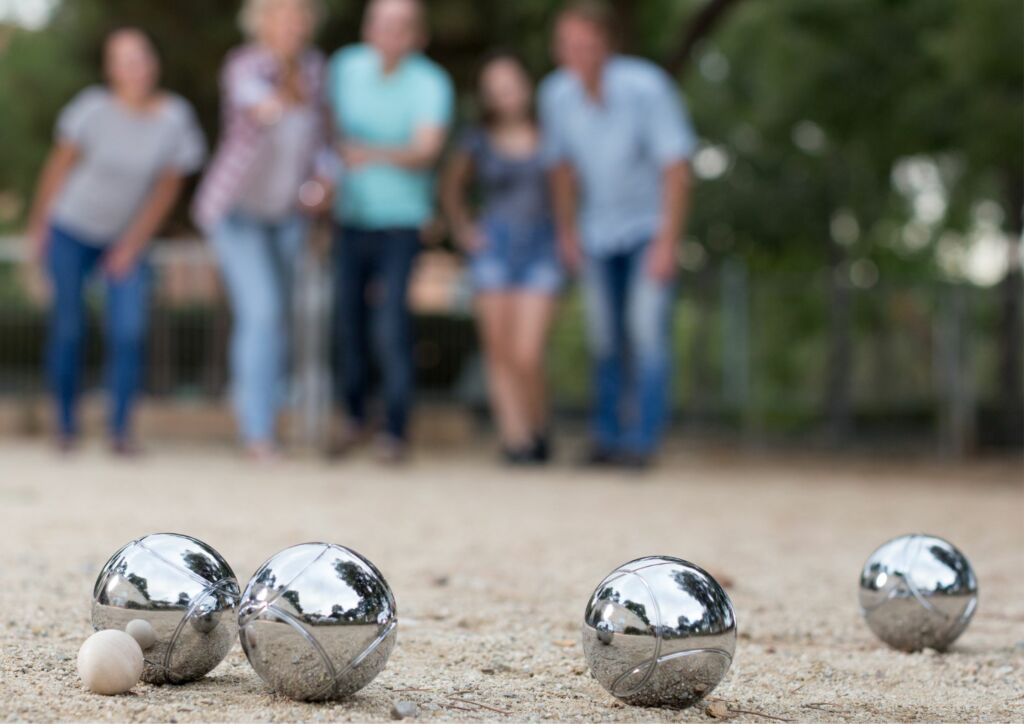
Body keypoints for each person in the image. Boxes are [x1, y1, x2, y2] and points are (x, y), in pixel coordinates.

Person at [25, 27, 206, 455]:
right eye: (125, 60)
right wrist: (39, 229)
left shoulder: (174, 119)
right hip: (71, 228)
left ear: (154, 63)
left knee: (129, 331)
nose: (137, 67)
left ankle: (120, 430)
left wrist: (130, 244)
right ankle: (65, 427)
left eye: (142, 57)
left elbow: (167, 189)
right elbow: (58, 168)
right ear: (111, 70)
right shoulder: (90, 110)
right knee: (68, 327)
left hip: (125, 238)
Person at [539, 1, 697, 468]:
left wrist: (668, 242)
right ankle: (606, 437)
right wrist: (566, 232)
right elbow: (561, 171)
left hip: (648, 228)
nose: (578, 54)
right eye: (569, 45)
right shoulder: (555, 96)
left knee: (646, 333)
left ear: (606, 45)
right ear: (558, 49)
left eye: (587, 44)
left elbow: (676, 169)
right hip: (595, 231)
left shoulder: (646, 87)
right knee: (603, 337)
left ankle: (642, 442)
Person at [193, 0, 334, 462]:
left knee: (280, 322)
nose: (294, 25)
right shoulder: (245, 65)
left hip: (287, 215)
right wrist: (284, 81)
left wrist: (327, 179)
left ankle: (264, 416)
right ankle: (258, 433)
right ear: (263, 23)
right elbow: (260, 107)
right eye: (283, 16)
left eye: (300, 17)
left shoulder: (316, 70)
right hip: (237, 213)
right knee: (263, 313)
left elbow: (322, 144)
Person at [327, 0, 454, 463]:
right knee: (347, 323)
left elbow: (427, 149)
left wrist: (367, 152)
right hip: (349, 216)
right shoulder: (345, 67)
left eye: (400, 26)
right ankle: (355, 417)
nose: (389, 34)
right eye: (381, 24)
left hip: (402, 219)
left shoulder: (431, 81)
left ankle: (395, 430)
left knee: (390, 325)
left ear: (417, 34)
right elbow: (328, 135)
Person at [440, 52, 561, 465]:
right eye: (495, 90)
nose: (504, 96)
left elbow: (566, 194)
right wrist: (462, 229)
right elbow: (452, 187)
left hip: (542, 247)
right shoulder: (475, 140)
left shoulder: (551, 135)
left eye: (510, 85)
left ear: (526, 87)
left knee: (527, 352)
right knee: (498, 349)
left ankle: (538, 426)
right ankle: (515, 440)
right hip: (494, 248)